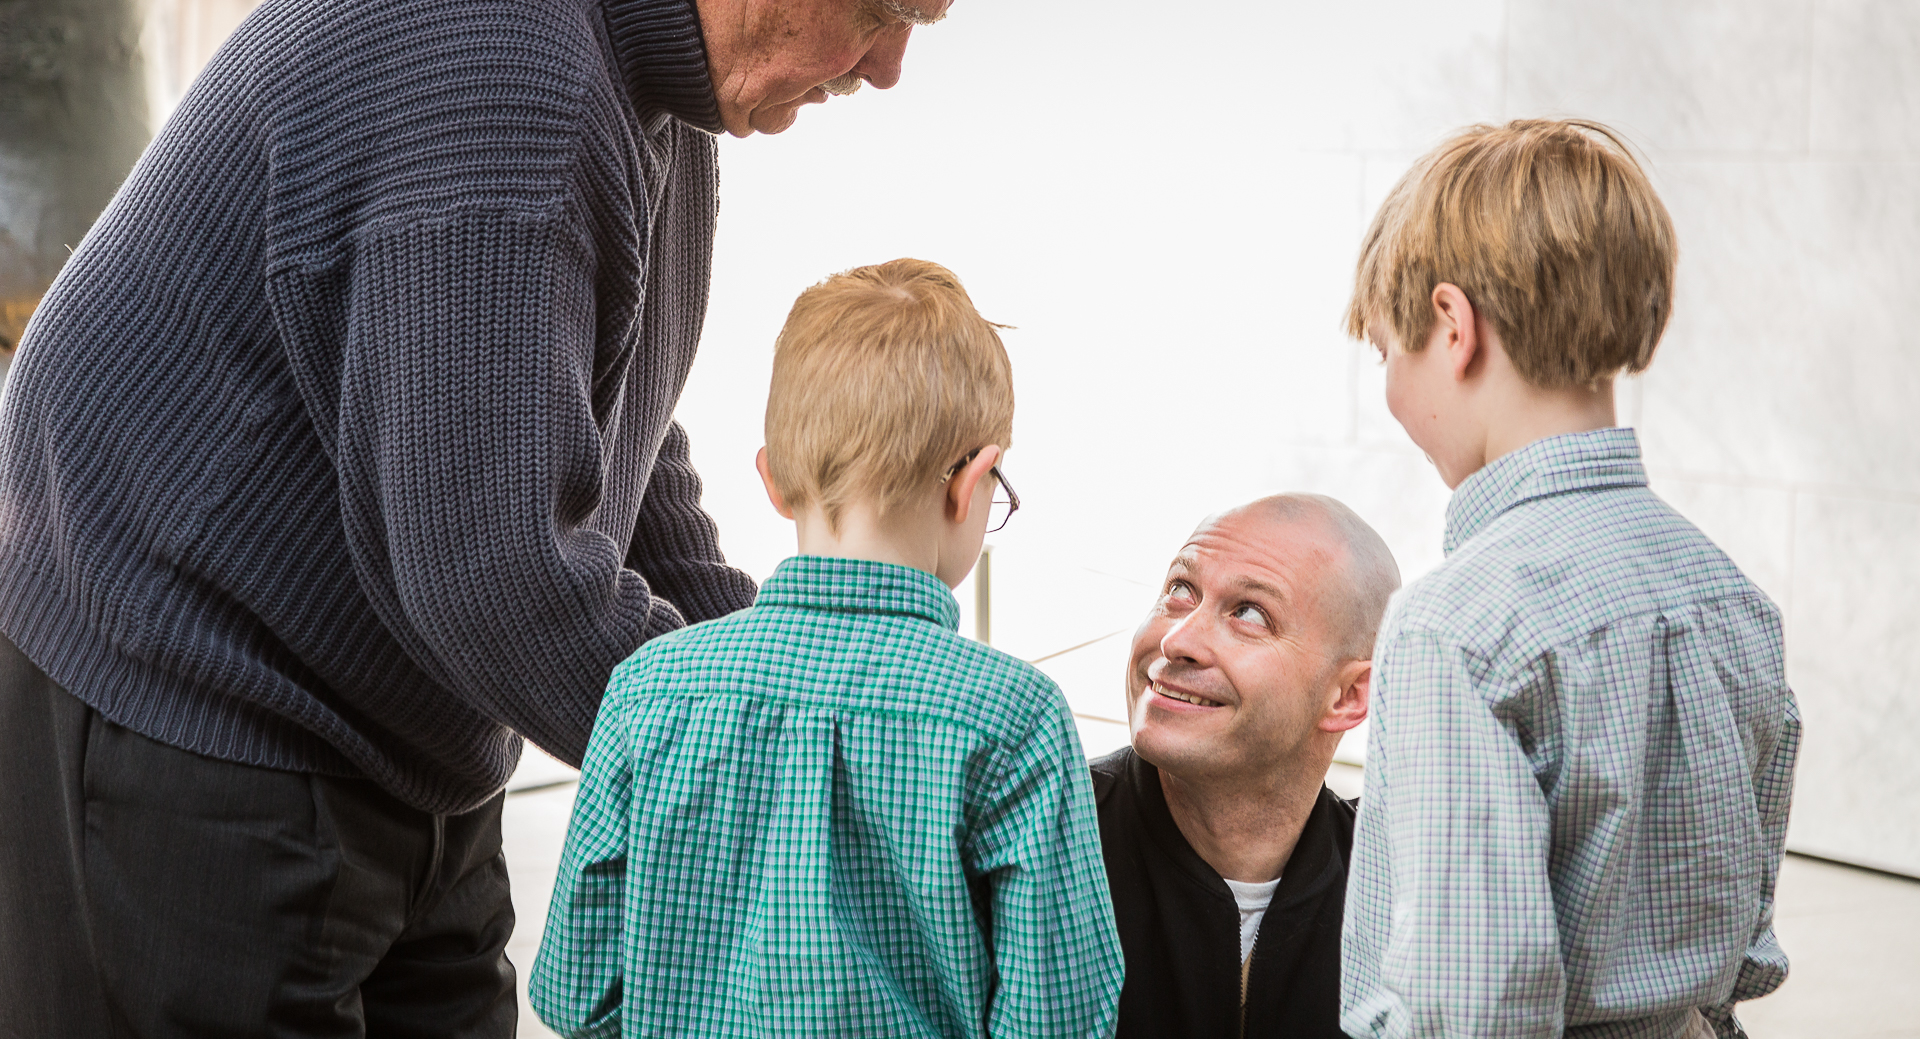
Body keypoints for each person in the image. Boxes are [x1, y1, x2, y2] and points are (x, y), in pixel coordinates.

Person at [0, 0, 953, 1034]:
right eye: (881, 8)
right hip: (189, 706)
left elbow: (597, 419)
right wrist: (799, 776)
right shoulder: (507, 81)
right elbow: (492, 581)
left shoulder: (654, 95)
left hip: (408, 719)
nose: (890, 67)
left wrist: (808, 684)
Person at [530, 259, 1123, 1038]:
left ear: (774, 480)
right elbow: (1059, 1018)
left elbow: (576, 992)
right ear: (971, 480)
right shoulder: (1014, 718)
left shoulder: (645, 688)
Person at [1338, 119, 1801, 1039]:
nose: (1387, 390)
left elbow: (1472, 1009)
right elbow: (1742, 943)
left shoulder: (1454, 627)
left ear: (1453, 326)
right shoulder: (1732, 598)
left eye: (1387, 352)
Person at [1091, 494, 1399, 1038]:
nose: (1176, 640)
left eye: (1249, 614)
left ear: (1348, 695)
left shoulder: (1401, 894)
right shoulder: (1043, 837)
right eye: (1180, 591)